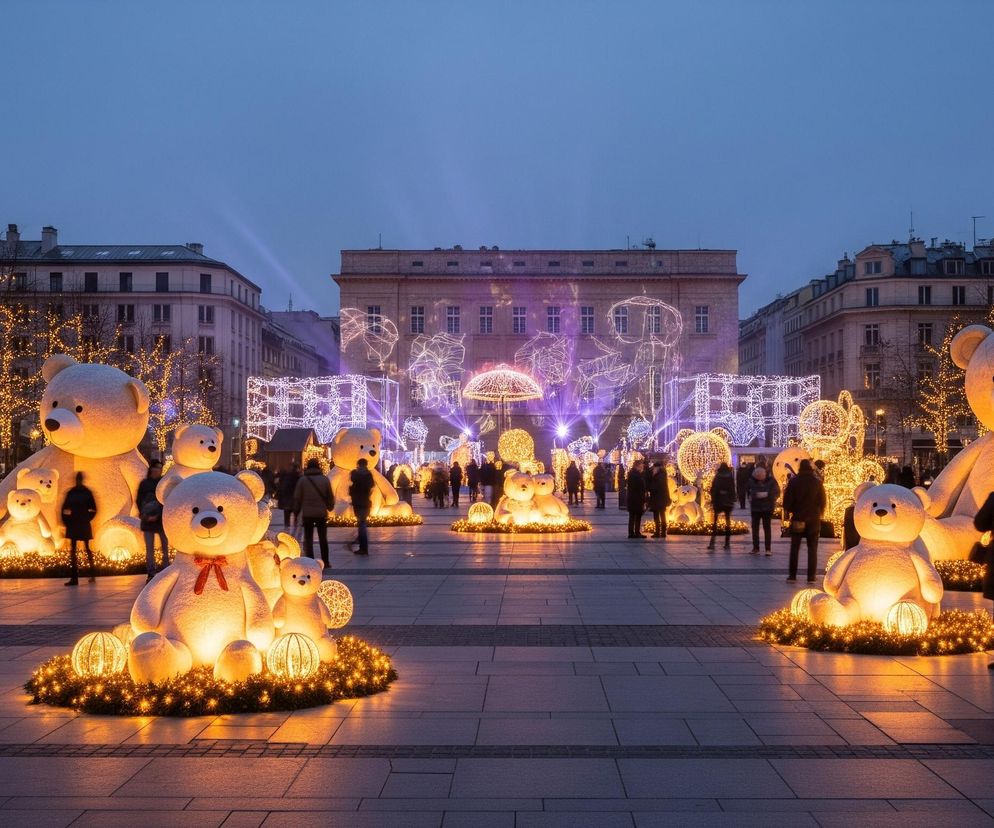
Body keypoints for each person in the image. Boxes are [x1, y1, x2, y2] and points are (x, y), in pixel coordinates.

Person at [782, 458, 827, 582]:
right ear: (811, 468)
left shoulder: (794, 482)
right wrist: (818, 513)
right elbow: (823, 501)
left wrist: (794, 511)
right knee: (812, 549)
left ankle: (792, 575)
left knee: (795, 548)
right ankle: (811, 576)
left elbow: (787, 502)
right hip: (813, 520)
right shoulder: (817, 482)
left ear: (800, 468)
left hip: (798, 518)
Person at [294, 457, 334, 566]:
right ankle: (325, 561)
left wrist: (296, 512)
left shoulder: (303, 480)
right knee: (323, 538)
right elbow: (330, 496)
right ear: (318, 466)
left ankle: (310, 561)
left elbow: (297, 497)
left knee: (308, 538)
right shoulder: (324, 479)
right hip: (321, 514)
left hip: (308, 514)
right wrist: (330, 506)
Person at [61, 471, 97, 586]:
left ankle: (89, 574)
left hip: (79, 523)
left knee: (85, 549)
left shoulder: (81, 493)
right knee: (75, 551)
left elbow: (94, 509)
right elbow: (64, 509)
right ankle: (76, 577)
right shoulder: (79, 492)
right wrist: (67, 521)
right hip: (76, 523)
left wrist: (86, 518)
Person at [137, 460, 169, 582]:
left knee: (164, 547)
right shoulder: (144, 484)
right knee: (149, 549)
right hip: (147, 521)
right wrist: (145, 516)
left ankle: (165, 571)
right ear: (151, 469)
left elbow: (165, 500)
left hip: (161, 520)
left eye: (159, 468)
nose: (157, 470)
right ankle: (151, 573)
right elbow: (139, 501)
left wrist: (158, 515)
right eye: (156, 468)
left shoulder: (162, 483)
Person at [746, 465, 779, 556]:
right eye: (758, 479)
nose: (760, 481)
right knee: (755, 529)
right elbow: (748, 490)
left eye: (761, 479)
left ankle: (768, 549)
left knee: (767, 529)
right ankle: (755, 548)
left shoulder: (771, 481)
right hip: (755, 508)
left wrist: (768, 495)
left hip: (767, 508)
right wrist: (753, 495)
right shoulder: (752, 481)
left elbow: (776, 492)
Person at [708, 462, 737, 551]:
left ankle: (712, 542)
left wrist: (713, 499)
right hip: (728, 502)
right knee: (727, 522)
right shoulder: (729, 476)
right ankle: (727, 543)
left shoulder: (717, 476)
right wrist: (732, 499)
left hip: (718, 502)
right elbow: (732, 488)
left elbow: (714, 488)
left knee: (715, 522)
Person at [349, 457, 375, 555]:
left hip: (357, 502)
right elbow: (372, 486)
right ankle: (362, 544)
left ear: (358, 464)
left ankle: (362, 546)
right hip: (366, 502)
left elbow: (352, 481)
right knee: (362, 523)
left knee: (361, 524)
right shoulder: (368, 475)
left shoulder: (355, 474)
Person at [647, 462, 671, 538]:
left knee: (657, 516)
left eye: (654, 468)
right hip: (661, 499)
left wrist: (650, 488)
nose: (653, 469)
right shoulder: (662, 475)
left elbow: (656, 487)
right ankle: (662, 532)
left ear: (657, 468)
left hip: (658, 499)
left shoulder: (659, 476)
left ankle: (658, 532)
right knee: (662, 515)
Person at [626, 460, 647, 539]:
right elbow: (639, 488)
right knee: (637, 516)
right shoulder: (636, 475)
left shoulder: (633, 474)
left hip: (633, 498)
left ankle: (632, 532)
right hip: (636, 499)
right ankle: (636, 532)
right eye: (641, 465)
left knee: (633, 516)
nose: (642, 467)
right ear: (637, 466)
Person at [278, 463, 301, 533]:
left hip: (287, 501)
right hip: (296, 501)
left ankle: (287, 530)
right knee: (296, 517)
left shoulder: (286, 478)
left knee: (287, 517)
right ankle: (295, 530)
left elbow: (283, 489)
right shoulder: (299, 478)